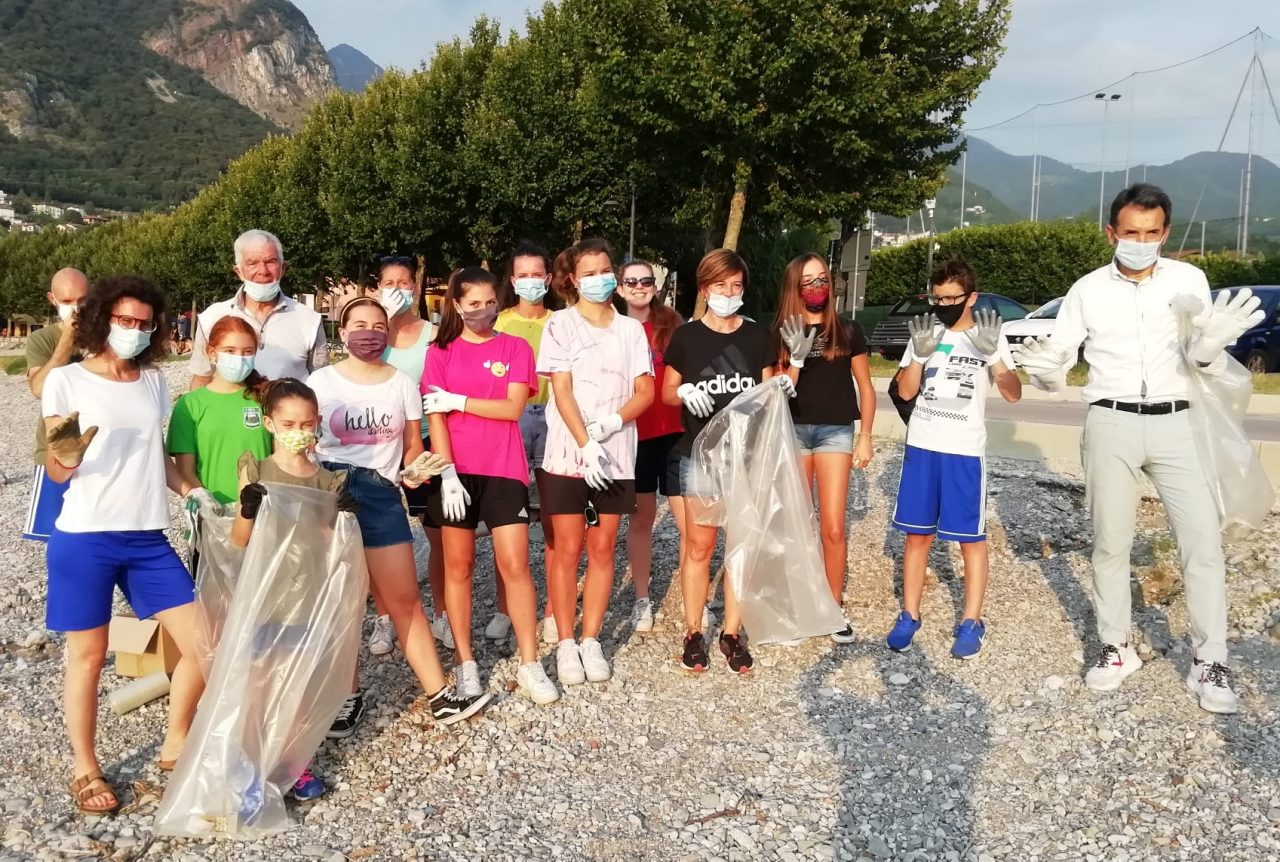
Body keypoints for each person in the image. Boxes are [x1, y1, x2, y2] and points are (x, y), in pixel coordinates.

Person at [1015, 183, 1262, 713]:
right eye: (1131, 232)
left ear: (1165, 233)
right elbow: (1056, 359)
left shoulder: (1188, 279)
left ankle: (1209, 660)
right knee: (1110, 543)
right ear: (1112, 233)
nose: (1142, 242)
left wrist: (1212, 348)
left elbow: (1202, 358)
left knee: (1202, 544)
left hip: (1179, 422)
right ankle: (1115, 647)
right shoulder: (1086, 290)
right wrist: (1045, 377)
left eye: (1152, 233)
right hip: (1111, 421)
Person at [40, 276, 207, 814]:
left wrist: (192, 491)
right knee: (87, 658)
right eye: (123, 320)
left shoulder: (154, 381)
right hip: (85, 537)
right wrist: (67, 454)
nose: (133, 330)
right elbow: (55, 471)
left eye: (143, 322)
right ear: (101, 319)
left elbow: (153, 457)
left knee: (206, 645)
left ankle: (174, 745)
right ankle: (85, 768)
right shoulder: (66, 381)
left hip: (147, 538)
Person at [308, 297, 490, 736]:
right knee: (342, 603)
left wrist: (415, 469)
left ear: (388, 333)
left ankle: (440, 695)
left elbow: (412, 443)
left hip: (382, 492)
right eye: (359, 324)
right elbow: (304, 440)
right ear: (342, 329)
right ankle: (345, 697)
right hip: (329, 493)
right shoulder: (320, 381)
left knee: (405, 598)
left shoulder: (401, 383)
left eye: (377, 325)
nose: (368, 333)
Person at [420, 267, 560, 704]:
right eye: (473, 303)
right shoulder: (439, 351)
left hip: (504, 468)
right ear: (457, 305)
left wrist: (460, 400)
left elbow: (512, 409)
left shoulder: (515, 347)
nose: (483, 311)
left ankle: (530, 661)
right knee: (458, 568)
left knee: (515, 565)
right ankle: (465, 664)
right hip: (457, 471)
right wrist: (444, 474)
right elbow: (435, 417)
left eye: (490, 302)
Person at [886, 259, 1020, 659]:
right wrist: (919, 358)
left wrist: (994, 355)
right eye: (937, 297)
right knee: (917, 535)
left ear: (971, 297)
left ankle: (971, 621)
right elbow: (906, 392)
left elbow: (1013, 393)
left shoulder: (988, 336)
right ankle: (910, 615)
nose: (942, 303)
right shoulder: (924, 334)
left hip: (964, 451)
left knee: (971, 540)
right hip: (923, 445)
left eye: (951, 298)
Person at [228, 378, 354, 801]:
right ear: (270, 424)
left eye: (306, 423)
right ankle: (249, 763)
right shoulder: (258, 471)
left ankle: (292, 762)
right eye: (288, 423)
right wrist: (248, 506)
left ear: (317, 424)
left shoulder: (326, 481)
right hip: (267, 596)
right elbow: (240, 539)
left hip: (308, 597)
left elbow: (325, 539)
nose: (298, 431)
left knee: (297, 682)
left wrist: (344, 518)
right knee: (260, 682)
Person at [662, 248, 787, 674]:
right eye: (720, 286)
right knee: (699, 546)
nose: (729, 293)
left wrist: (782, 388)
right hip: (699, 454)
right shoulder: (686, 337)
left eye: (736, 286)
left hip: (746, 456)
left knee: (740, 547)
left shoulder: (757, 337)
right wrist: (680, 393)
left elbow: (770, 391)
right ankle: (693, 631)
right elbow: (665, 392)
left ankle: (731, 633)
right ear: (705, 289)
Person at [539, 239, 654, 685]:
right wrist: (585, 441)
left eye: (606, 269)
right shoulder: (560, 325)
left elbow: (644, 391)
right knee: (567, 550)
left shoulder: (630, 330)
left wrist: (610, 425)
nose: (600, 278)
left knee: (602, 548)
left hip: (618, 454)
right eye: (589, 272)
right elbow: (561, 390)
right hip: (568, 455)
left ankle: (592, 639)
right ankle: (566, 642)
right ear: (572, 279)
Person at [772, 253, 876, 643]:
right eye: (808, 281)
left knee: (832, 526)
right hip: (793, 431)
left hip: (835, 432)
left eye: (822, 280)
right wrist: (795, 360)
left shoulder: (849, 330)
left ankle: (832, 607)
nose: (817, 288)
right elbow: (777, 390)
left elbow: (866, 387)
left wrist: (866, 436)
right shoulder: (781, 331)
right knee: (798, 524)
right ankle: (799, 605)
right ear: (795, 288)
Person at [370, 254, 440, 658]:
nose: (396, 290)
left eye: (404, 282)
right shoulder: (370, 336)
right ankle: (384, 618)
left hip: (424, 441)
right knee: (379, 535)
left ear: (415, 287)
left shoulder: (433, 335)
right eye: (388, 283)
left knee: (437, 530)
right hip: (378, 445)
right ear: (377, 289)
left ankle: (441, 611)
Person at [491, 240, 560, 643]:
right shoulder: (498, 322)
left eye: (538, 275)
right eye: (524, 275)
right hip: (510, 422)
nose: (531, 282)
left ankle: (553, 608)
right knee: (507, 521)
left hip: (553, 420)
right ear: (513, 280)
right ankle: (505, 609)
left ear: (548, 280)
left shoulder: (562, 322)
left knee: (555, 519)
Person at [617, 258, 684, 633]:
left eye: (646, 280)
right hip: (635, 436)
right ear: (620, 287)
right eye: (632, 281)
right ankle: (642, 598)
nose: (639, 287)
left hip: (675, 432)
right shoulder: (613, 328)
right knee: (641, 519)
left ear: (655, 286)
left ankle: (698, 596)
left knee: (688, 521)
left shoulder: (673, 325)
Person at [189, 230, 328, 388]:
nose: (263, 271)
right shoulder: (212, 317)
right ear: (239, 272)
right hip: (230, 412)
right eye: (252, 263)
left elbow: (321, 383)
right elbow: (202, 378)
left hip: (287, 412)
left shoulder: (309, 320)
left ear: (283, 268)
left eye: (271, 261)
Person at [168, 316, 272, 513]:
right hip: (214, 514)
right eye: (230, 351)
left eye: (247, 352)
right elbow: (185, 470)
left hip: (264, 512)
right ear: (211, 353)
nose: (239, 358)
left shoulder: (266, 399)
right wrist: (207, 503)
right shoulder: (190, 405)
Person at [24, 268, 89, 541]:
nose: (75, 308)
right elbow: (38, 388)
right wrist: (66, 341)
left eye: (82, 300)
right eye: (67, 301)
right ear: (52, 299)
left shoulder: (109, 336)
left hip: (101, 446)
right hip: (55, 451)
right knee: (54, 538)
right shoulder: (42, 339)